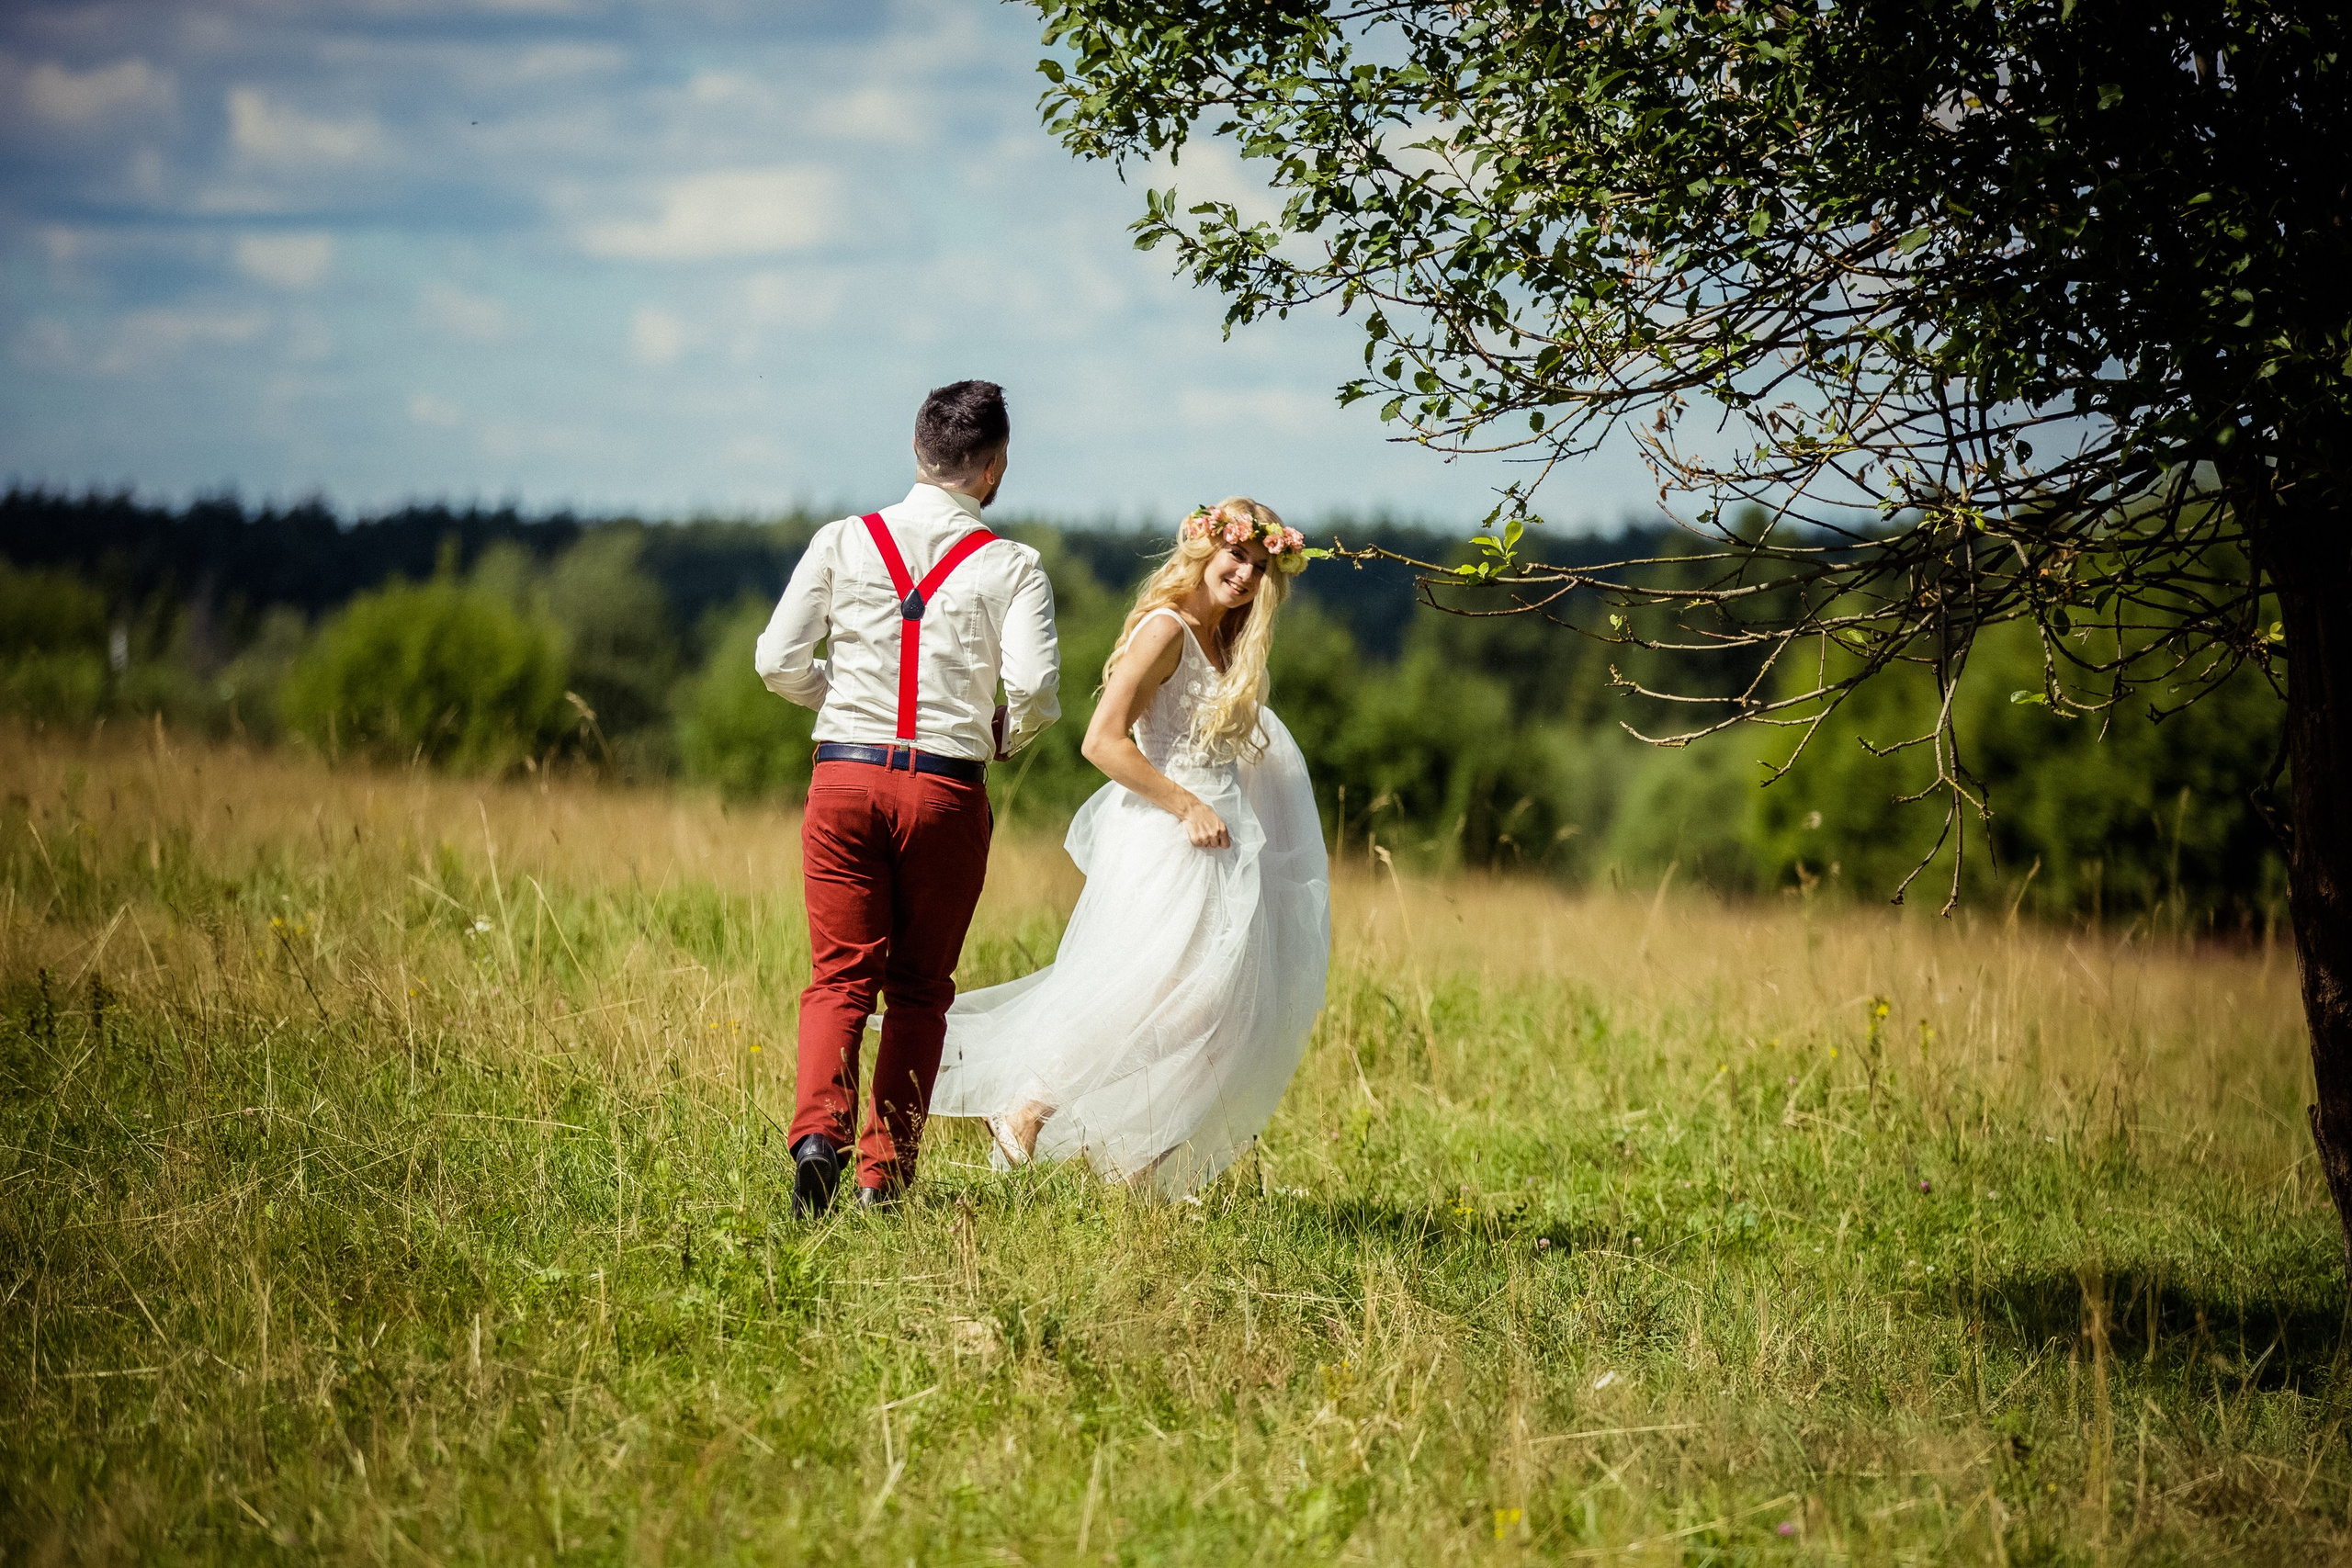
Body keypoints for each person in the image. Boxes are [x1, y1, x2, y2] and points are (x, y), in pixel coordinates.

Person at [930, 497, 1331, 1196]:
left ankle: (1136, 1159)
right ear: (1208, 549)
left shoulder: (1226, 645)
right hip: (1168, 836)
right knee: (1157, 993)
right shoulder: (1165, 629)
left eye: (1261, 567)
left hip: (1217, 842)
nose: (1244, 574)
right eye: (1238, 555)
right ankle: (1029, 1105)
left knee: (1214, 1007)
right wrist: (1186, 805)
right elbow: (1101, 740)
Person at [754, 380, 1060, 1217]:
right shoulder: (1013, 565)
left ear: (917, 451)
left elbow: (777, 659)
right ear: (994, 465)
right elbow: (1035, 687)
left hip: (844, 775)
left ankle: (818, 1136)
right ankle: (882, 1178)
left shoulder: (842, 539)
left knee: (837, 977)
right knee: (921, 988)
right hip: (945, 789)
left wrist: (843, 699)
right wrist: (1001, 734)